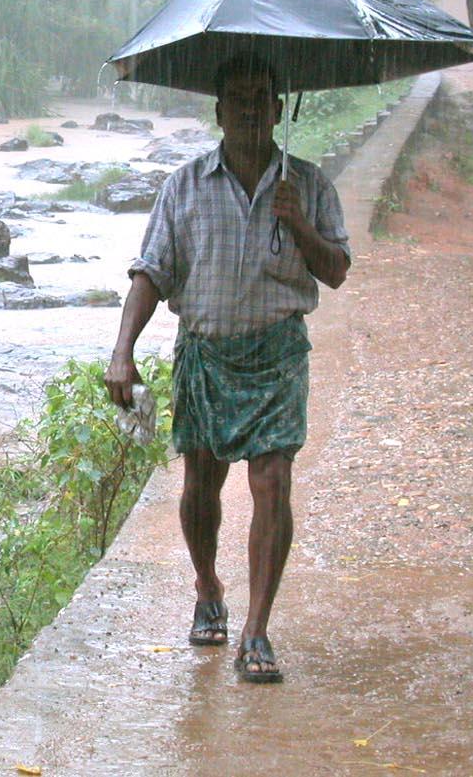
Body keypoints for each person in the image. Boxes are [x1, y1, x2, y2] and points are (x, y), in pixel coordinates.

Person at [103, 53, 350, 684]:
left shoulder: (311, 186)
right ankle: (208, 586)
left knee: (272, 483)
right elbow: (150, 272)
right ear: (218, 112)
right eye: (236, 98)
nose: (247, 109)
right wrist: (122, 351)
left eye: (259, 97)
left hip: (277, 356)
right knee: (200, 485)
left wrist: (296, 220)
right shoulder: (183, 186)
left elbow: (337, 270)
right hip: (206, 353)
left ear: (277, 109)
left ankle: (257, 630)